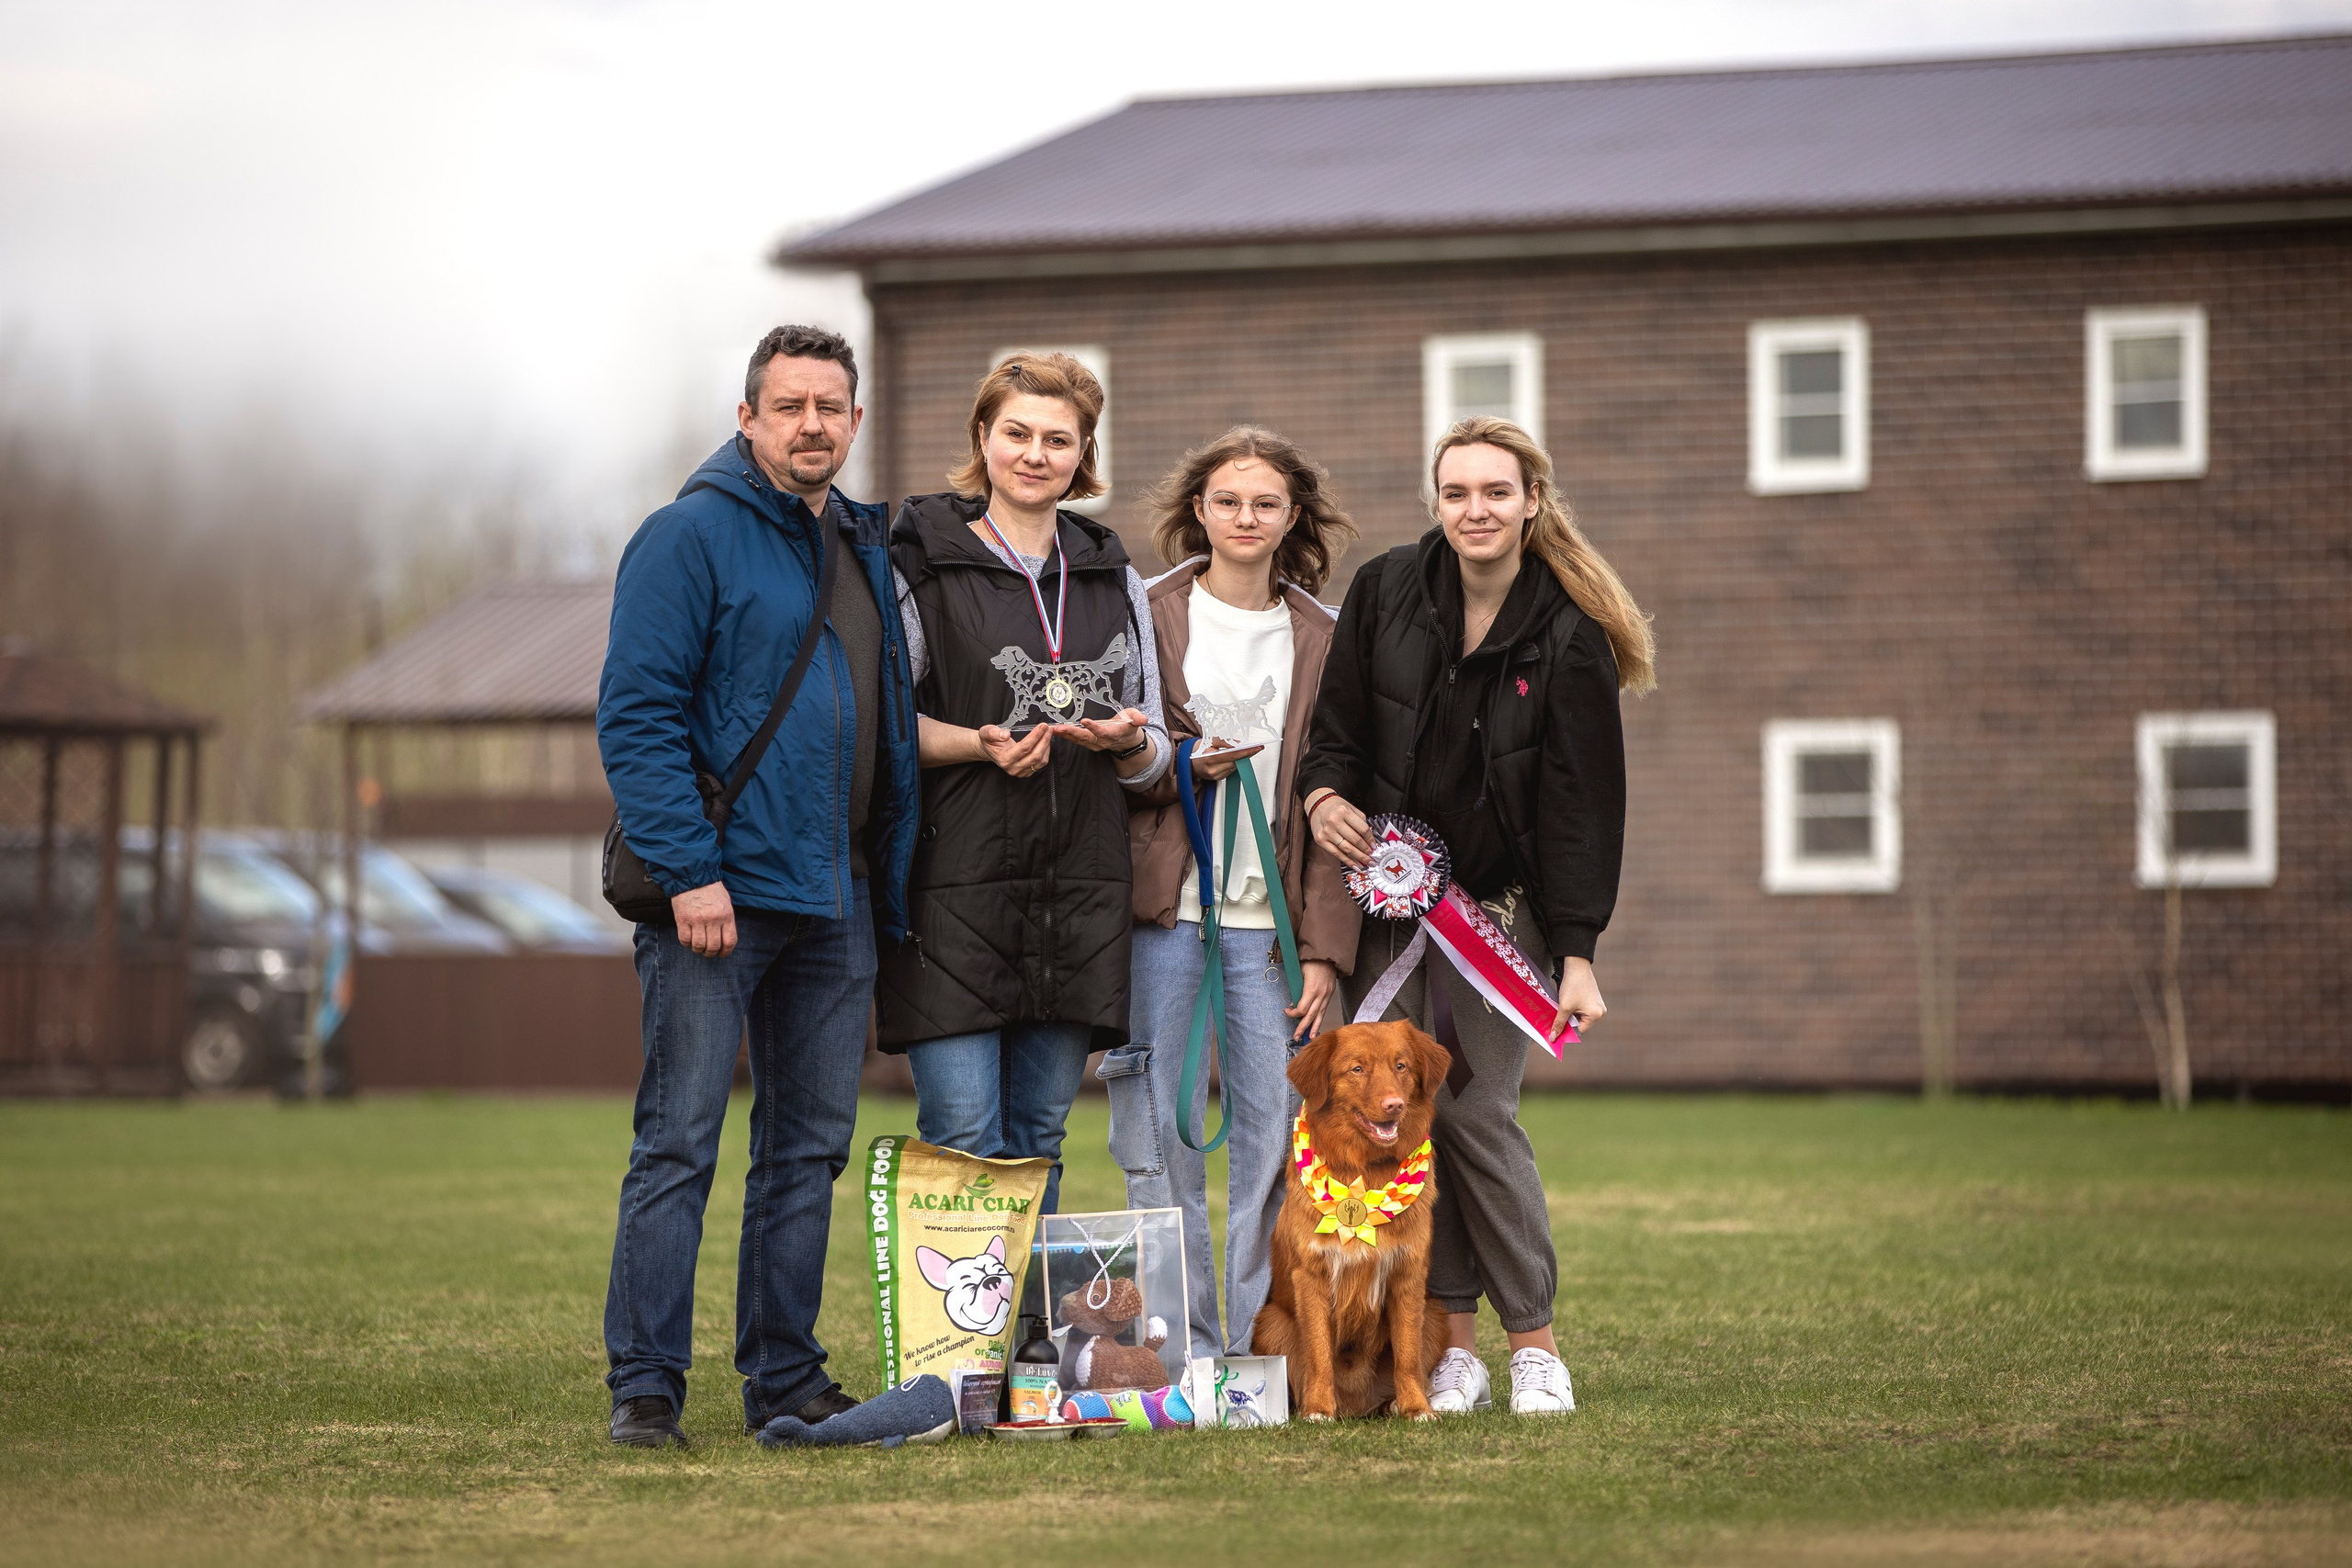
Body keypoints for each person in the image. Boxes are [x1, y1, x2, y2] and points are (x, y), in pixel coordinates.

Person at [594, 325, 919, 1449]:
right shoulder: (685, 536)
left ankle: (785, 1378)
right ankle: (646, 1387)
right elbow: (635, 717)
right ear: (747, 418)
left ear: (855, 421)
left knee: (806, 1155)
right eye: (789, 406)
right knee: (677, 1143)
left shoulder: (862, 546)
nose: (811, 425)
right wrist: (690, 872)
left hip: (837, 898)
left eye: (830, 407)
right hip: (717, 900)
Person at [1298, 414, 1654, 1417]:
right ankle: (1452, 1351)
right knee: (1401, 1115)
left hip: (1499, 919)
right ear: (1437, 501)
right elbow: (1335, 731)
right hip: (1386, 903)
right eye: (1456, 492)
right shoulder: (1383, 590)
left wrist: (1576, 952)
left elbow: (1586, 809)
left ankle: (1534, 1344)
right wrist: (1322, 797)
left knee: (1473, 1110)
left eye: (1496, 492)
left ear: (1532, 501)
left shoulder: (1569, 635)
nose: (1476, 510)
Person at [879, 353, 1171, 1215]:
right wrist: (976, 744)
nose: (1035, 454)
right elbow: (883, 730)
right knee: (964, 1138)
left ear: (1083, 455)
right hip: (952, 891)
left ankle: (1028, 1313)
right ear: (983, 437)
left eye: (1058, 439)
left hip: (1076, 893)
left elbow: (1156, 749)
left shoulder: (1114, 576)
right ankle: (964, 1314)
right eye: (1017, 433)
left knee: (1040, 1139)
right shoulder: (920, 566)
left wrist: (1127, 744)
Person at [1105, 425, 1363, 1360]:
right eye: (1227, 501)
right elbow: (1115, 751)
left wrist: (1325, 949)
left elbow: (1341, 789)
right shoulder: (1143, 610)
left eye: (1265, 503)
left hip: (1272, 932)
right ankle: (1183, 1348)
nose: (1245, 517)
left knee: (1277, 1138)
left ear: (1293, 516)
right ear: (1198, 510)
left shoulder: (1328, 634)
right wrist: (1178, 762)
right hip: (1163, 917)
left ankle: (1260, 1352)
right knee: (1158, 1136)